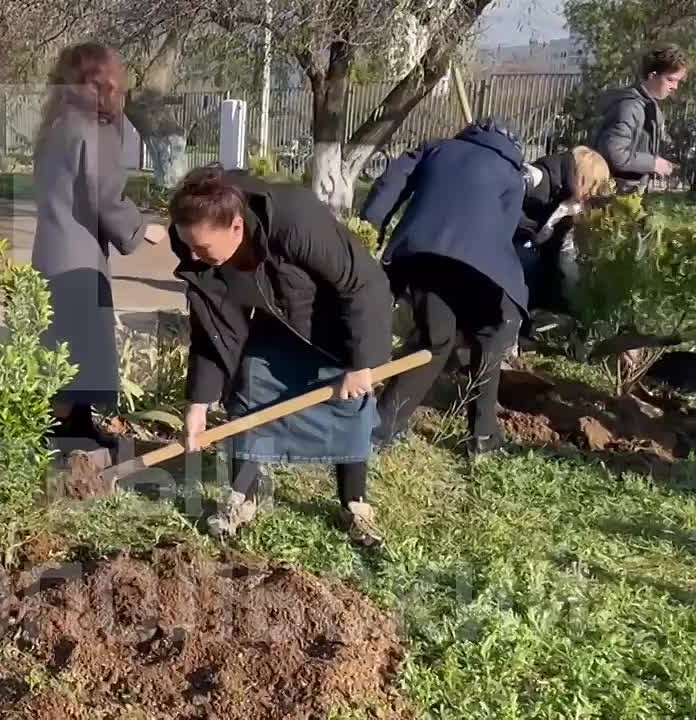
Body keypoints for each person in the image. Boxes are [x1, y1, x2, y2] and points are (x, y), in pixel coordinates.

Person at [170, 165, 392, 547]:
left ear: (237, 227)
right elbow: (213, 324)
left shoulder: (293, 218)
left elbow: (362, 283)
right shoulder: (196, 239)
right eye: (187, 244)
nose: (191, 255)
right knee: (250, 384)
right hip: (277, 320)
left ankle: (355, 504)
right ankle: (242, 496)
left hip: (334, 323)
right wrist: (200, 402)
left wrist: (360, 363)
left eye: (201, 248)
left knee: (351, 407)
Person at [361, 120, 527, 457]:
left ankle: (380, 430)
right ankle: (483, 440)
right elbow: (505, 232)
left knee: (434, 341)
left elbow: (389, 184)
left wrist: (371, 226)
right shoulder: (512, 174)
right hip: (483, 266)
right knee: (488, 341)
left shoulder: (435, 148)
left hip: (422, 254)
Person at [31, 42, 167, 449]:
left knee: (65, 340)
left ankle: (77, 425)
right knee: (81, 338)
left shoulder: (56, 124)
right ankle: (64, 428)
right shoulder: (96, 128)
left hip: (52, 244)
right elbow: (104, 195)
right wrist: (142, 228)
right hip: (80, 251)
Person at [514, 146, 612, 315]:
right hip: (509, 242)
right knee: (529, 265)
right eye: (592, 186)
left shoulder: (568, 199)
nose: (592, 194)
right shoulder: (544, 179)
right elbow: (509, 201)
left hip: (526, 246)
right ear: (582, 178)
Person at [595, 44, 688, 194]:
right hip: (613, 197)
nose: (675, 87)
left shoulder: (649, 106)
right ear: (652, 75)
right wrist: (653, 163)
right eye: (670, 80)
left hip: (626, 196)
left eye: (678, 81)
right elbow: (614, 154)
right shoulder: (630, 106)